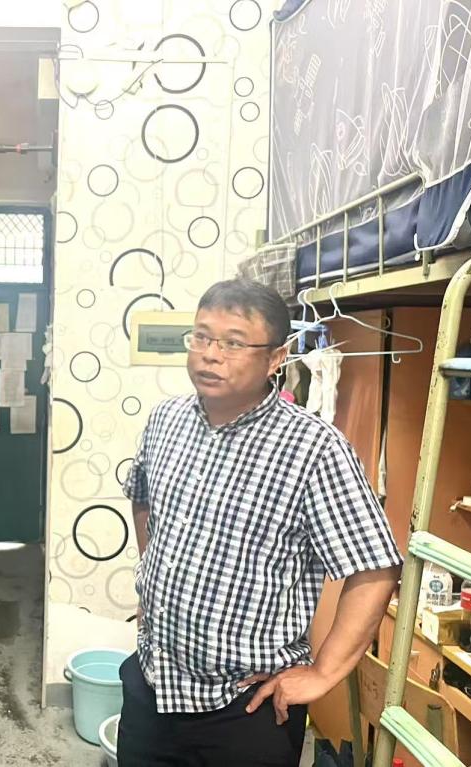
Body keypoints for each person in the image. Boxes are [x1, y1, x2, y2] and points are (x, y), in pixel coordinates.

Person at [119, 278, 402, 767]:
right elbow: (142, 497)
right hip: (151, 687)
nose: (210, 355)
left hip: (245, 708)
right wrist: (153, 587)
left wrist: (323, 672)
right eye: (201, 337)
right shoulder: (166, 420)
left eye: (233, 343)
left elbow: (375, 567)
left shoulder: (313, 449)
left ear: (276, 358)